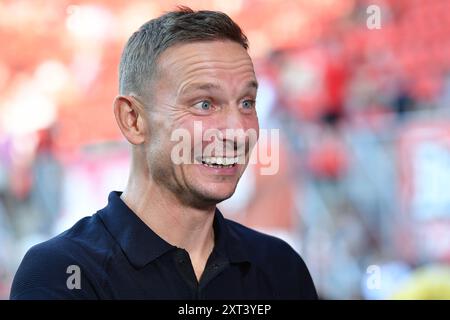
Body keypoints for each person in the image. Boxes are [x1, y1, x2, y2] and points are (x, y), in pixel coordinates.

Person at [10, 7, 317, 300]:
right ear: (133, 120)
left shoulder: (281, 268)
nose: (237, 131)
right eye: (204, 104)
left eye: (247, 103)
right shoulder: (61, 273)